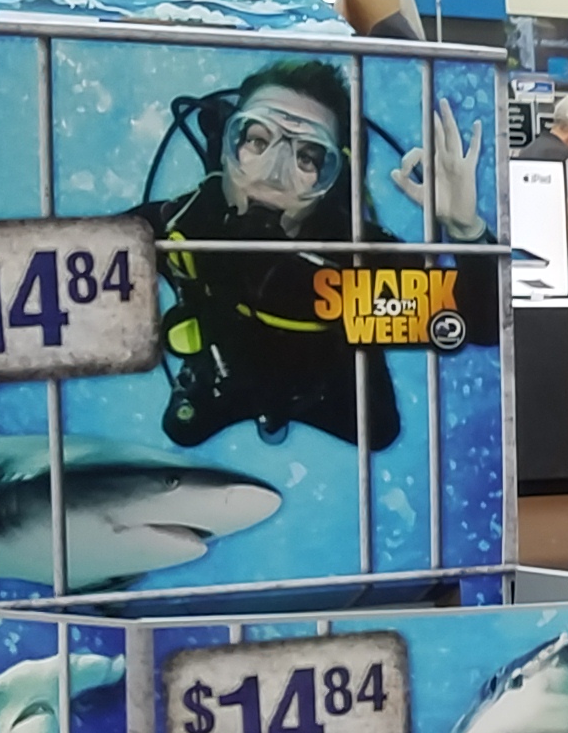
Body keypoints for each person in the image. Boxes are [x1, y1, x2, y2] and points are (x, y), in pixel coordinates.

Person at [147, 56, 485, 451]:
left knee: (378, 430)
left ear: (331, 179)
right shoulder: (180, 227)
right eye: (257, 141)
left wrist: (467, 230)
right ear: (226, 146)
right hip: (221, 379)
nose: (273, 174)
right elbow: (85, 259)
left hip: (329, 392)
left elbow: (480, 321)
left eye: (307, 157)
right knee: (183, 431)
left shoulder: (356, 258)